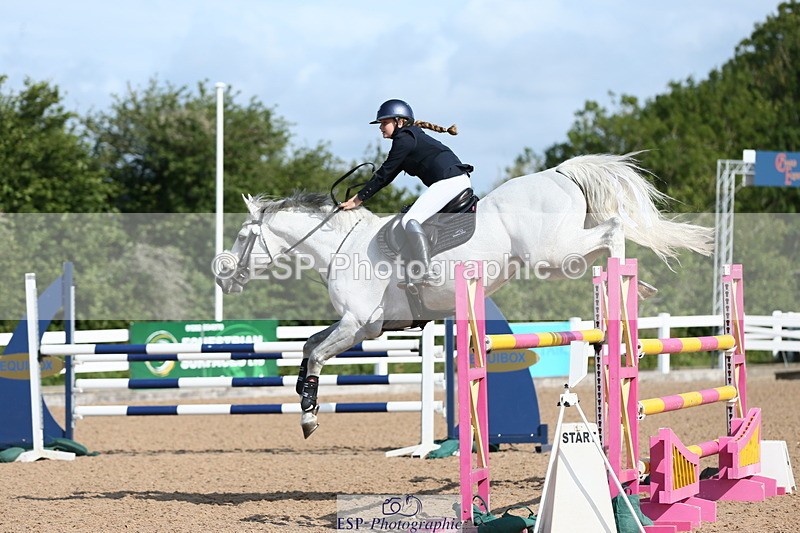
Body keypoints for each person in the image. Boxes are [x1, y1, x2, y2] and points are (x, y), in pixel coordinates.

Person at [339, 99, 473, 285]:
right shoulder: (409, 137)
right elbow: (388, 176)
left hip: (450, 181)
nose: (381, 127)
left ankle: (426, 271)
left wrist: (358, 199)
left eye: (385, 122)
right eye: (380, 124)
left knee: (410, 220)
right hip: (453, 180)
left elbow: (384, 173)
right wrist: (360, 197)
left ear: (400, 122)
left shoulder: (404, 139)